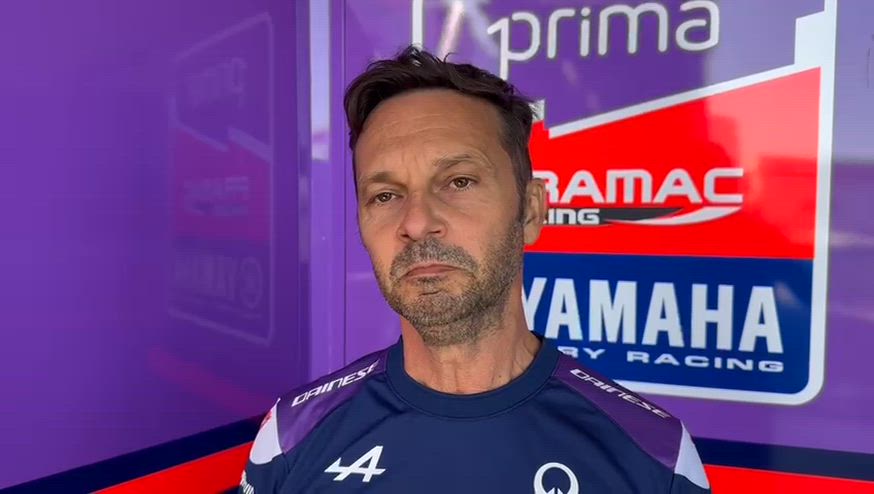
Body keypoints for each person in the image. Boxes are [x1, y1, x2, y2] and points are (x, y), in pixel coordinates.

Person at [239, 45, 711, 494]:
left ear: (530, 211)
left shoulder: (654, 456)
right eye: (385, 195)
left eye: (459, 181)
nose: (416, 222)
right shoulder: (292, 436)